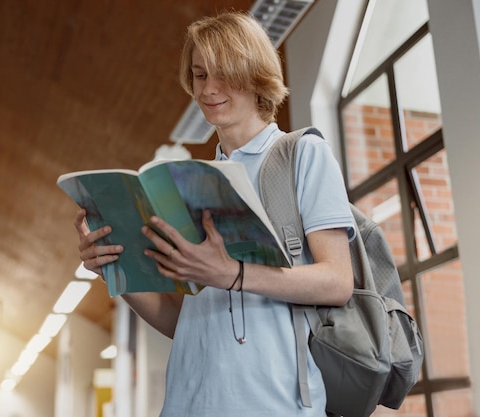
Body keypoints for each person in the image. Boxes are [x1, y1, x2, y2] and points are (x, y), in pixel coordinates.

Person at [75, 11, 355, 417]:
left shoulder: (302, 155)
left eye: (224, 74)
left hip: (275, 404)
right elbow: (182, 321)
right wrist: (112, 268)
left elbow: (337, 281)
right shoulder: (190, 184)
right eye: (200, 75)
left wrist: (233, 275)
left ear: (256, 75)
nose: (209, 89)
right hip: (187, 404)